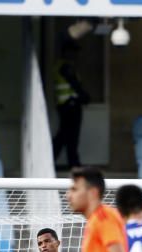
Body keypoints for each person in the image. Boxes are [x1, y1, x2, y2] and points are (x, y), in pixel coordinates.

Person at [52, 40, 90, 169]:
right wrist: (85, 97)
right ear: (66, 52)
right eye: (73, 51)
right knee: (67, 136)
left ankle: (73, 163)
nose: (76, 54)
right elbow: (75, 84)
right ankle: (72, 164)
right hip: (69, 106)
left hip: (68, 105)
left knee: (67, 136)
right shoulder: (64, 66)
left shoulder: (64, 65)